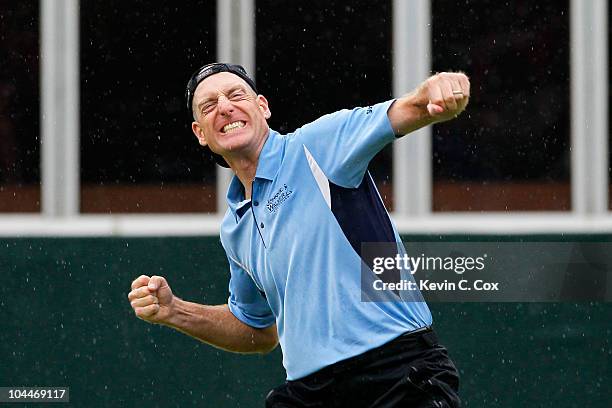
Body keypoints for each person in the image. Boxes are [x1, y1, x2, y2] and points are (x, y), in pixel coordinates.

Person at [128, 63, 469, 407]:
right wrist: (175, 311)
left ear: (262, 107)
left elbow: (413, 107)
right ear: (200, 133)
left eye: (235, 95)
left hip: (396, 373)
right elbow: (258, 331)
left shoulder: (315, 146)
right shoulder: (235, 228)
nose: (225, 107)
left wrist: (439, 88)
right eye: (209, 105)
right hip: (311, 392)